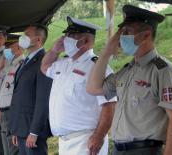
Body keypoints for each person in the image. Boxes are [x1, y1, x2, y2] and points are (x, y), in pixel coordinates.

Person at [87, 5, 172, 155]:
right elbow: (93, 88)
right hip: (118, 149)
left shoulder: (163, 71)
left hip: (145, 150)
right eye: (121, 32)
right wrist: (106, 53)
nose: (121, 37)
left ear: (146, 35)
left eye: (127, 32)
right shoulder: (126, 71)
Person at [41, 16, 117, 155]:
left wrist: (99, 136)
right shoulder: (63, 63)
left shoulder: (100, 68)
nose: (65, 38)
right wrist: (54, 51)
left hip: (86, 141)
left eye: (71, 35)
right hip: (64, 142)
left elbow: (109, 105)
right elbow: (45, 67)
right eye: (66, 34)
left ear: (86, 41)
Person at [9, 24, 52, 155]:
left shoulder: (43, 62)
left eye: (27, 35)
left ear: (38, 40)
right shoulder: (27, 60)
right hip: (22, 128)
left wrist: (34, 131)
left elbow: (43, 100)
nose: (23, 37)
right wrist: (16, 129)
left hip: (33, 132)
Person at [0, 34, 24, 155]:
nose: (7, 50)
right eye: (6, 47)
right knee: (6, 149)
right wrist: (4, 56)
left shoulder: (22, 65)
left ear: (19, 47)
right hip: (4, 112)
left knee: (13, 149)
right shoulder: (11, 65)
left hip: (11, 111)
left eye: (9, 46)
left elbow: (19, 92)